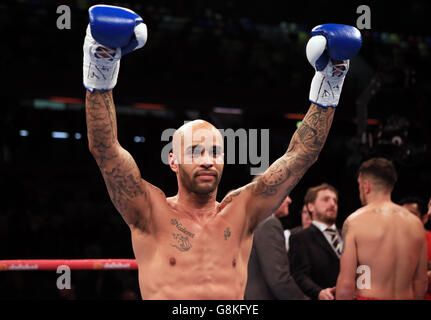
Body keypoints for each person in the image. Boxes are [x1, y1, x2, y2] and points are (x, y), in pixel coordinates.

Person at [83, 5, 361, 299]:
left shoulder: (242, 210)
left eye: (215, 151)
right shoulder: (150, 211)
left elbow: (302, 155)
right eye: (195, 151)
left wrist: (331, 81)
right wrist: (102, 68)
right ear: (173, 160)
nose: (207, 160)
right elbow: (105, 150)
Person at [336, 157, 428, 300]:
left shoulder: (355, 222)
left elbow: (346, 285)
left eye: (359, 185)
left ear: (366, 186)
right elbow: (421, 282)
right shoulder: (416, 224)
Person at [245, 196, 308, 300]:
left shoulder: (255, 221)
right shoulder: (269, 223)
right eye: (286, 195)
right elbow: (279, 280)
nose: (289, 200)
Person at [288, 183, 342, 300]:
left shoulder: (347, 234)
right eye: (326, 200)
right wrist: (319, 292)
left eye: (335, 201)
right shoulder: (300, 237)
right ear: (311, 206)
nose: (332, 204)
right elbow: (299, 275)